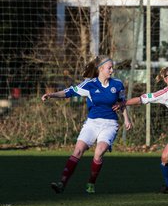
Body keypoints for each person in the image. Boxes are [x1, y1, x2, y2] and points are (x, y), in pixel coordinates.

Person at [41, 55, 132, 194]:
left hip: (110, 124)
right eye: (110, 68)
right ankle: (62, 183)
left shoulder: (117, 84)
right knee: (77, 151)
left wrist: (126, 119)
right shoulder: (89, 84)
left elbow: (122, 103)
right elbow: (69, 92)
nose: (112, 70)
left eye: (112, 68)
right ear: (101, 69)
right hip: (92, 123)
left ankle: (91, 183)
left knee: (99, 152)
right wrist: (51, 95)